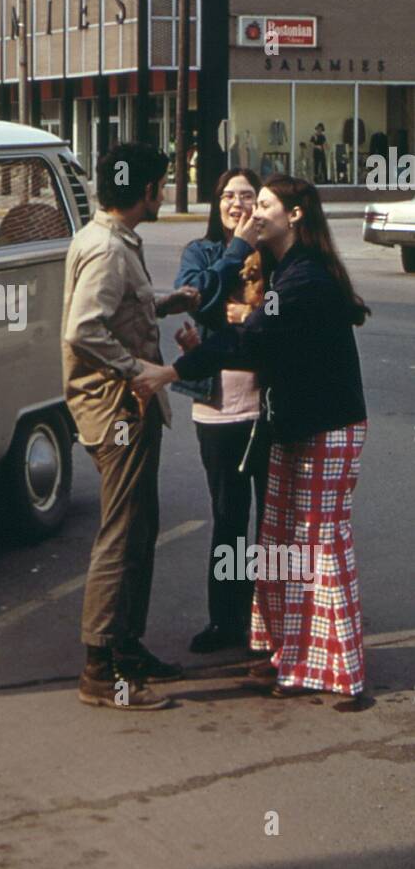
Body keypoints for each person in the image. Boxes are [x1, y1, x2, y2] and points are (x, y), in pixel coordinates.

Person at [135, 176, 370, 699]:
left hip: (327, 425)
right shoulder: (284, 268)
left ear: (296, 215)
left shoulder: (304, 277)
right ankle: (290, 655)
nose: (253, 212)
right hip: (290, 424)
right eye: (247, 202)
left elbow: (252, 337)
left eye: (263, 204)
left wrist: (170, 373)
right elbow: (241, 332)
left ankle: (342, 672)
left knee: (320, 545)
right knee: (279, 545)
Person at [61, 142, 200, 711]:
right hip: (117, 410)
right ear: (145, 192)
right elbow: (82, 330)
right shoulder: (109, 251)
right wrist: (135, 369)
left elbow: (121, 310)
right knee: (121, 534)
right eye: (161, 185)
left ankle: (127, 648)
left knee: (140, 528)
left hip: (125, 408)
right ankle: (100, 669)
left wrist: (167, 304)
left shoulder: (110, 240)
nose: (163, 194)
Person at [173, 168, 272, 653]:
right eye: (228, 195)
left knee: (273, 521)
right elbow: (198, 299)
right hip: (217, 408)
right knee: (228, 517)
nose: (237, 203)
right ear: (216, 204)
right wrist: (235, 251)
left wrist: (237, 315)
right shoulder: (204, 252)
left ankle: (268, 623)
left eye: (247, 196)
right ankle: (225, 621)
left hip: (269, 406)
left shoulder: (274, 252)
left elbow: (282, 315)